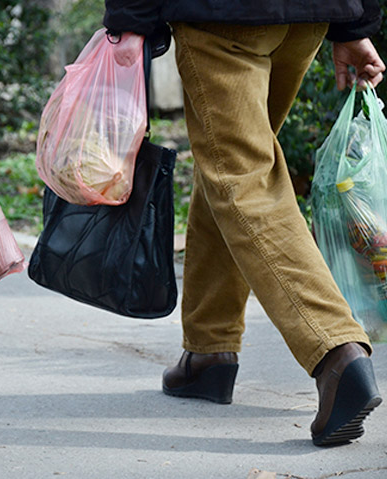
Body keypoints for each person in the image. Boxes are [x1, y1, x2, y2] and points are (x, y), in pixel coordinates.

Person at [104, 0, 385, 446]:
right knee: (227, 163)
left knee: (242, 180)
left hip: (221, 16)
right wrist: (355, 20)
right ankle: (208, 350)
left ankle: (336, 351)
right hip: (307, 16)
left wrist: (128, 19)